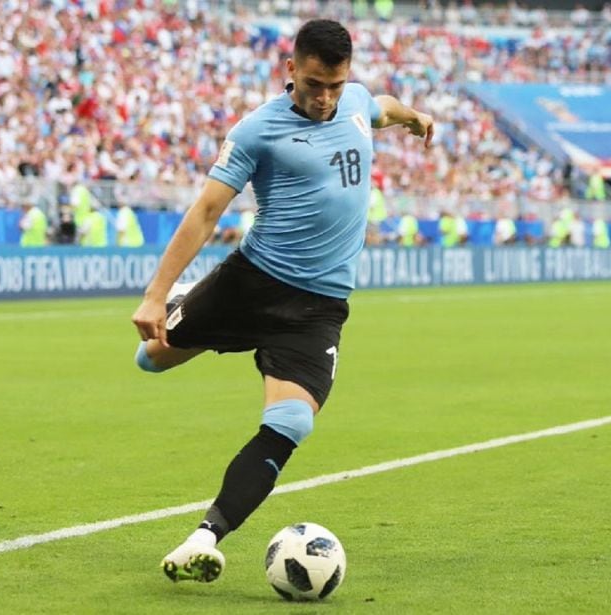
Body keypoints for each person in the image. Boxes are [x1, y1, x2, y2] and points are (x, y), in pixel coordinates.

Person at [129, 19, 434, 585]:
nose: (324, 98)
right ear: (291, 70)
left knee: (292, 421)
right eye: (314, 84)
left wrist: (414, 116)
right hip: (251, 284)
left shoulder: (356, 101)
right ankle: (179, 306)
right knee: (151, 358)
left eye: (335, 87)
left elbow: (381, 107)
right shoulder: (257, 131)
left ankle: (205, 537)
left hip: (317, 307)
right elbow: (205, 212)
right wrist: (151, 295)